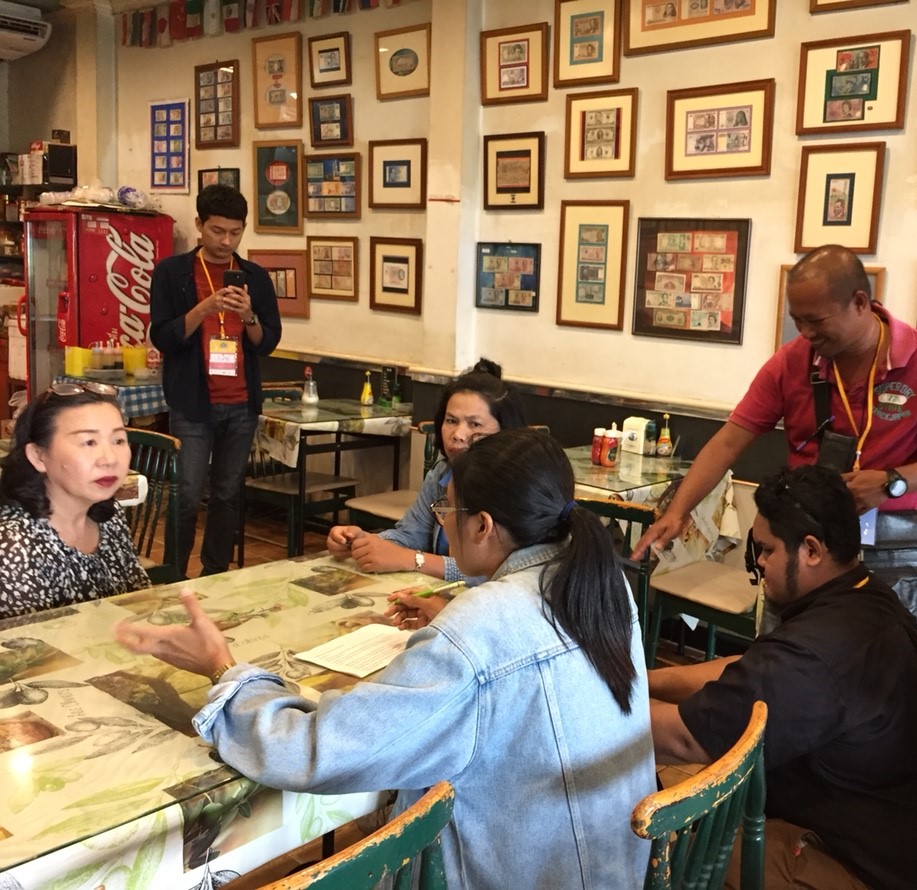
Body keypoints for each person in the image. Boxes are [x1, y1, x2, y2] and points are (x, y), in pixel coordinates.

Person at [116, 429, 655, 887]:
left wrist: (222, 667)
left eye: (447, 509)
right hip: (610, 867)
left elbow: (315, 750)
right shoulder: (600, 584)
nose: (441, 519)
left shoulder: (480, 628)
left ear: (483, 525)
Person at [649, 466, 917, 889]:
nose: (760, 563)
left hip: (866, 870)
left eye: (767, 550)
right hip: (912, 851)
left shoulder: (816, 655)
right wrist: (647, 680)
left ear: (811, 550)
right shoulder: (867, 596)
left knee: (680, 861)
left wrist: (584, 701)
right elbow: (751, 669)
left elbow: (684, 739)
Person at [633, 244, 917, 625]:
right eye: (797, 320)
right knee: (788, 654)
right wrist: (678, 511)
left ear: (859, 302)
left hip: (890, 545)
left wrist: (893, 482)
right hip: (804, 544)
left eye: (816, 320)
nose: (804, 332)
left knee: (884, 656)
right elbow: (729, 442)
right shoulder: (791, 361)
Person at [149, 184, 282, 578]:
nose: (226, 241)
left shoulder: (255, 278)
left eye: (235, 232)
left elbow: (267, 343)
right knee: (188, 494)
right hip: (192, 403)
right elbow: (163, 336)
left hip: (241, 404)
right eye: (217, 231)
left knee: (227, 494)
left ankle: (215, 573)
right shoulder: (172, 273)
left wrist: (249, 315)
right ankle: (173, 574)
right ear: (199, 225)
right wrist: (205, 307)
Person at [326, 359, 527, 617]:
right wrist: (362, 542)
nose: (458, 434)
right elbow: (411, 534)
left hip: (489, 615)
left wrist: (414, 560)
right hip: (439, 606)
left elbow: (500, 573)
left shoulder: (516, 488)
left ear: (504, 431)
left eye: (474, 425)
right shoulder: (442, 474)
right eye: (451, 420)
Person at [0, 382, 148, 619]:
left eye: (118, 440)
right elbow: (36, 642)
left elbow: (139, 604)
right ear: (38, 456)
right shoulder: (13, 546)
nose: (110, 459)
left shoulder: (108, 516)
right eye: (89, 442)